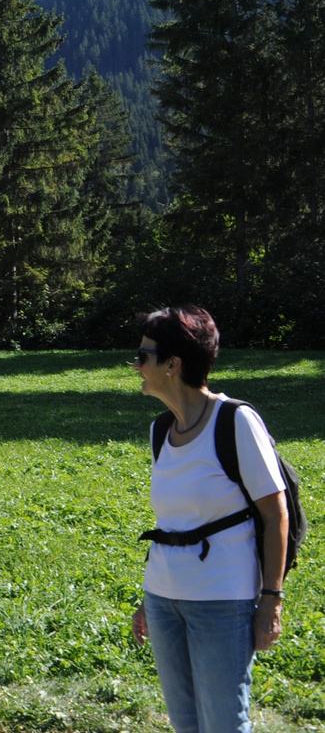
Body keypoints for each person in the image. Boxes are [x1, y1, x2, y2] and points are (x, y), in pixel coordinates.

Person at [131, 305, 289, 733]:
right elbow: (172, 522)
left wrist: (271, 599)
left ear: (172, 364)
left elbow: (276, 515)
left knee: (222, 723)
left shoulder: (236, 421)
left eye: (143, 356)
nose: (136, 365)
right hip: (165, 598)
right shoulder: (160, 430)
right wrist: (149, 597)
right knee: (186, 723)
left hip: (222, 598)